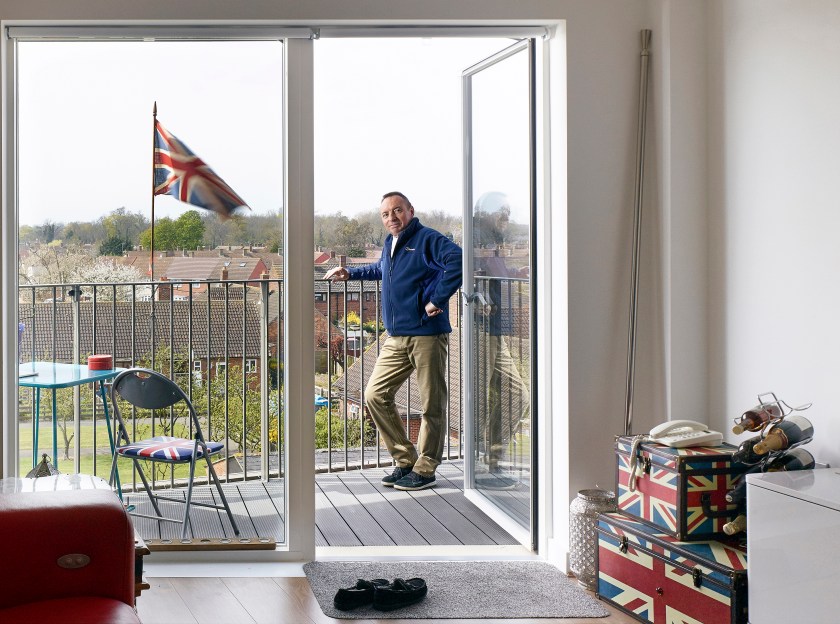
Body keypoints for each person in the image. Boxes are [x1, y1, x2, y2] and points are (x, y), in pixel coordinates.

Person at [324, 191, 462, 491]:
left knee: (432, 403)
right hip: (396, 336)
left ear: (410, 210)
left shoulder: (428, 239)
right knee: (374, 395)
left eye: (397, 211)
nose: (392, 218)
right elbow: (380, 270)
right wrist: (351, 273)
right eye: (386, 214)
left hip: (427, 334)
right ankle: (405, 459)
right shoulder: (391, 243)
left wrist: (437, 299)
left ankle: (426, 469)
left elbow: (457, 260)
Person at [472, 191, 530, 490]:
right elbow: (460, 272)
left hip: (495, 329)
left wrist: (519, 273)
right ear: (486, 211)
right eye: (501, 209)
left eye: (509, 208)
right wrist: (477, 295)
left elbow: (496, 275)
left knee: (517, 394)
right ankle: (481, 468)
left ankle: (492, 460)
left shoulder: (493, 241)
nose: (507, 214)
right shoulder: (474, 237)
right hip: (480, 328)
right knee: (477, 399)